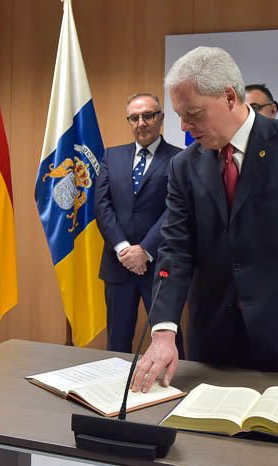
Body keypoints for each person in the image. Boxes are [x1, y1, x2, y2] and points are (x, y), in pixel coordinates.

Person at [132, 47, 278, 393]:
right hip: (211, 337)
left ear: (229, 96)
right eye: (179, 115)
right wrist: (164, 330)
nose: (184, 126)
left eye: (193, 114)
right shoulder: (185, 165)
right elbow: (176, 251)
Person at [94, 93, 185, 357]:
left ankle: (178, 389)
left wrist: (144, 250)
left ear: (161, 118)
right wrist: (124, 249)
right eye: (134, 117)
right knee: (117, 343)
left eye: (148, 115)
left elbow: (176, 209)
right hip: (118, 264)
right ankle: (114, 393)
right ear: (129, 121)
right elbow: (102, 206)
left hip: (160, 265)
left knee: (168, 340)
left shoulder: (180, 159)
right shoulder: (112, 156)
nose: (141, 122)